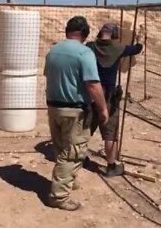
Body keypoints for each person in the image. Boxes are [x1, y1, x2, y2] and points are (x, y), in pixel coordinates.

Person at [44, 16, 109, 211]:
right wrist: (103, 108)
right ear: (84, 34)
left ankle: (68, 181)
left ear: (67, 31)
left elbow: (48, 75)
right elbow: (92, 84)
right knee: (72, 153)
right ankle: (59, 197)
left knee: (61, 147)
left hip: (53, 108)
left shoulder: (53, 50)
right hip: (73, 110)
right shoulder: (84, 53)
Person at [86, 23, 143, 178]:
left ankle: (77, 157)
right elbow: (137, 49)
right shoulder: (119, 48)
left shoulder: (90, 46)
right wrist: (140, 38)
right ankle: (111, 166)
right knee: (110, 132)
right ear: (114, 34)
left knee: (86, 127)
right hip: (109, 95)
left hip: (91, 92)